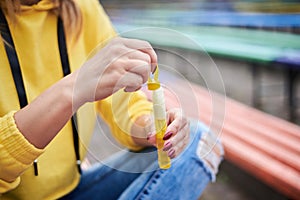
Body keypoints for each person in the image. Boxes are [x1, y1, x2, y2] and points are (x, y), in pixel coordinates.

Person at [0, 0, 223, 199]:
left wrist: (152, 125)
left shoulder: (83, 9)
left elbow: (121, 101)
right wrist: (72, 89)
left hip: (75, 189)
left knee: (197, 140)